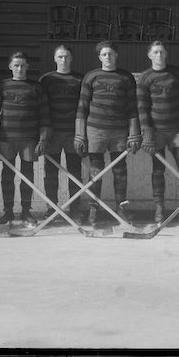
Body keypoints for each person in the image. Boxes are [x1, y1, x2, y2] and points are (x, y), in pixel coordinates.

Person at [75, 41, 141, 227]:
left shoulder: (126, 77)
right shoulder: (91, 77)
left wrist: (134, 133)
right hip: (95, 130)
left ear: (116, 55)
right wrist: (80, 134)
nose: (108, 57)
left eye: (111, 54)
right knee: (95, 171)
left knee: (120, 170)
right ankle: (94, 210)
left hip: (119, 131)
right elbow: (82, 106)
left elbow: (132, 107)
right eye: (104, 54)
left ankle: (121, 209)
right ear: (99, 57)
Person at [136, 41, 179, 227]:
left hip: (177, 130)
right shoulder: (145, 78)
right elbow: (142, 108)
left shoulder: (176, 74)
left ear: (166, 53)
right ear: (149, 55)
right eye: (155, 52)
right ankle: (159, 208)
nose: (159, 55)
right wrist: (147, 133)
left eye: (162, 52)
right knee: (158, 171)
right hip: (156, 132)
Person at [0, 52, 51, 227]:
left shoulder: (36, 87)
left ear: (28, 67)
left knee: (27, 175)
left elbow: (44, 114)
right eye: (16, 65)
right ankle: (8, 211)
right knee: (7, 175)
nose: (20, 69)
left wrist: (43, 139)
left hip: (29, 139)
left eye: (23, 65)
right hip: (7, 139)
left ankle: (26, 211)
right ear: (10, 66)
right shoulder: (2, 86)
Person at [39, 45, 84, 223]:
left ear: (71, 59)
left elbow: (84, 108)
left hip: (73, 133)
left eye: (66, 57)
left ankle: (76, 209)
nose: (63, 60)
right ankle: (52, 209)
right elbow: (41, 108)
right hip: (52, 134)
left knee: (75, 172)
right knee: (50, 173)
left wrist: (82, 133)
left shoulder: (80, 79)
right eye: (60, 57)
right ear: (55, 59)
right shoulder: (46, 80)